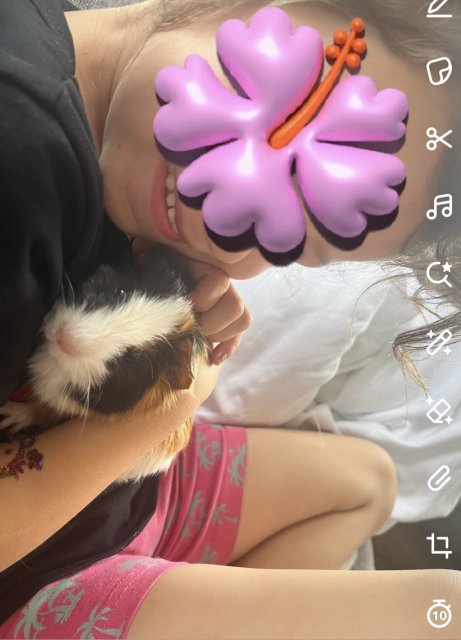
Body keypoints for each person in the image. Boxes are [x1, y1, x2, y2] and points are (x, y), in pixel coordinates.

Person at [0, 2, 459, 640]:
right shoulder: (21, 167)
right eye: (294, 122)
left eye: (295, 243)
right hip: (40, 564)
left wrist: (168, 290)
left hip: (123, 494)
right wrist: (172, 405)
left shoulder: (108, 123)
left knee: (371, 481)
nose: (228, 236)